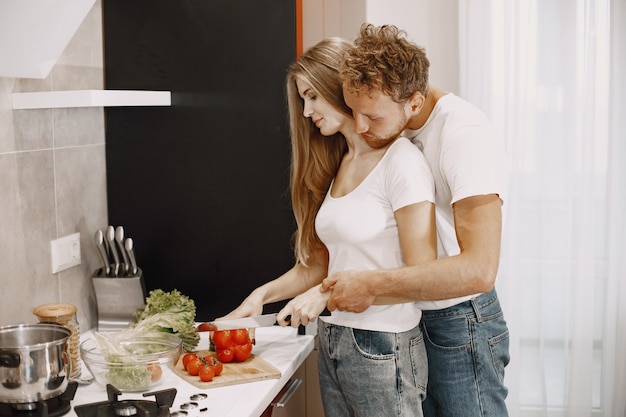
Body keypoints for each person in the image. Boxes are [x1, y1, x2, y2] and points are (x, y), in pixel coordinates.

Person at [220, 37, 437, 417]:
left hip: (383, 347)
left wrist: (325, 296)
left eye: (312, 97)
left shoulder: (401, 162)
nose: (306, 111)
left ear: (340, 88)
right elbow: (322, 266)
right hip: (336, 338)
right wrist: (260, 297)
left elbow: (424, 275)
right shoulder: (343, 161)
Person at [320, 24, 510, 417]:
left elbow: (480, 270)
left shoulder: (463, 133)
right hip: (417, 317)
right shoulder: (397, 132)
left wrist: (371, 284)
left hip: (462, 323)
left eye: (371, 116)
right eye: (353, 111)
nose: (359, 127)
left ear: (414, 101)